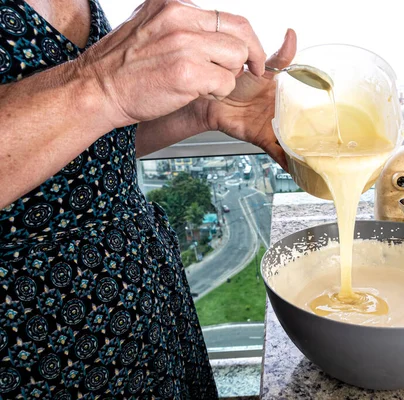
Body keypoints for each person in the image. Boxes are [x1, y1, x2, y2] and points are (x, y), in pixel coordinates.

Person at [0, 0, 296, 398]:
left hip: (149, 322)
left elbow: (82, 158)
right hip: (39, 349)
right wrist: (102, 83)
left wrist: (204, 111)